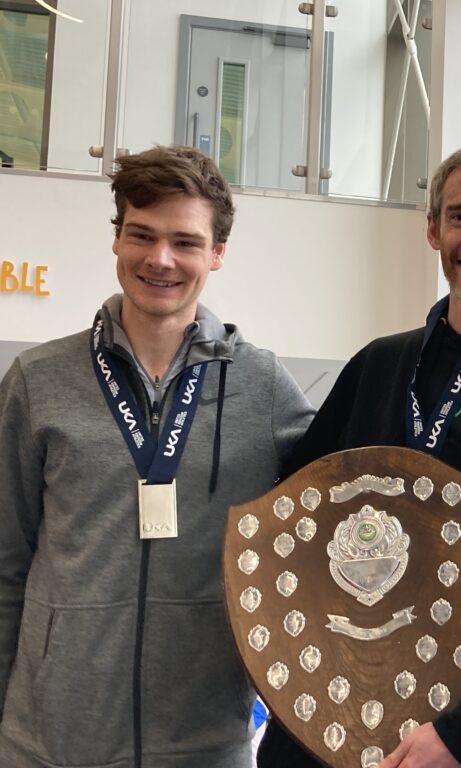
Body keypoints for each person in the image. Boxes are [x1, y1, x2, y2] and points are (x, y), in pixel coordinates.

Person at [257, 141, 461, 768]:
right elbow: (293, 516)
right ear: (433, 229)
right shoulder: (379, 364)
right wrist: (287, 681)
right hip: (322, 716)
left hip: (458, 738)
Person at [0, 145, 314, 767]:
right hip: (49, 743)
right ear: (117, 240)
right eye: (141, 235)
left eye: (185, 242)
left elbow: (343, 502)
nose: (160, 259)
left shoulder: (263, 388)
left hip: (206, 742)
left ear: (218, 254)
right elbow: (6, 562)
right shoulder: (38, 381)